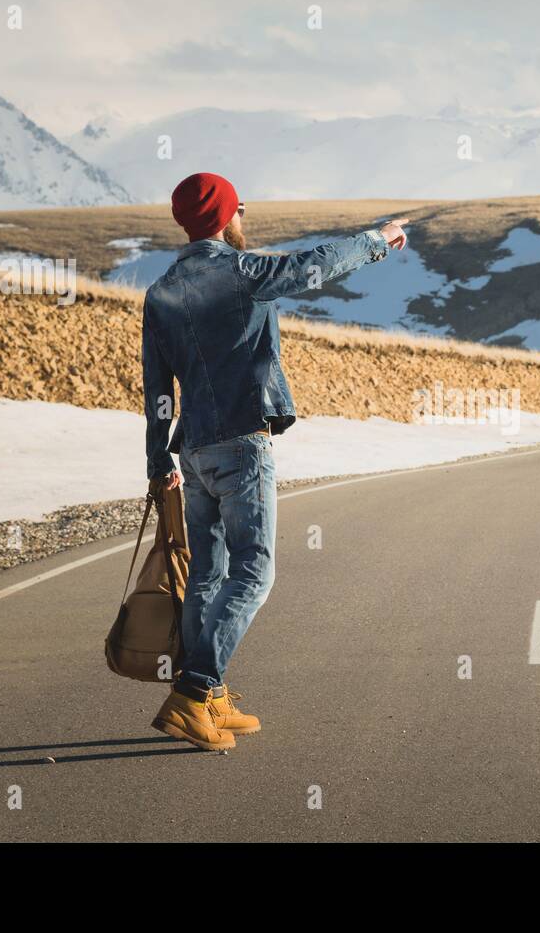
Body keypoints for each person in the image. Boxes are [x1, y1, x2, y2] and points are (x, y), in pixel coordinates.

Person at [142, 172, 408, 750]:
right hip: (242, 443)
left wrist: (157, 457)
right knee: (254, 573)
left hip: (194, 449)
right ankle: (193, 692)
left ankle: (208, 699)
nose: (243, 218)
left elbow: (156, 385)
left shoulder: (161, 291)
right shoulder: (242, 274)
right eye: (239, 210)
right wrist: (379, 239)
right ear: (226, 216)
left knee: (208, 577)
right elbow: (317, 262)